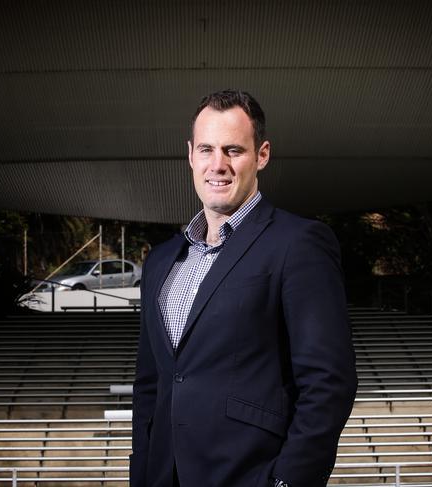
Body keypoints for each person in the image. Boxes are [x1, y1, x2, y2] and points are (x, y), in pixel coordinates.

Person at [130, 90, 357, 487]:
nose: (218, 165)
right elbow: (151, 384)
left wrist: (287, 482)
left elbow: (329, 382)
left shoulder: (298, 243)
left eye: (233, 150)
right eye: (206, 150)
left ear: (262, 155)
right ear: (190, 155)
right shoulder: (162, 261)